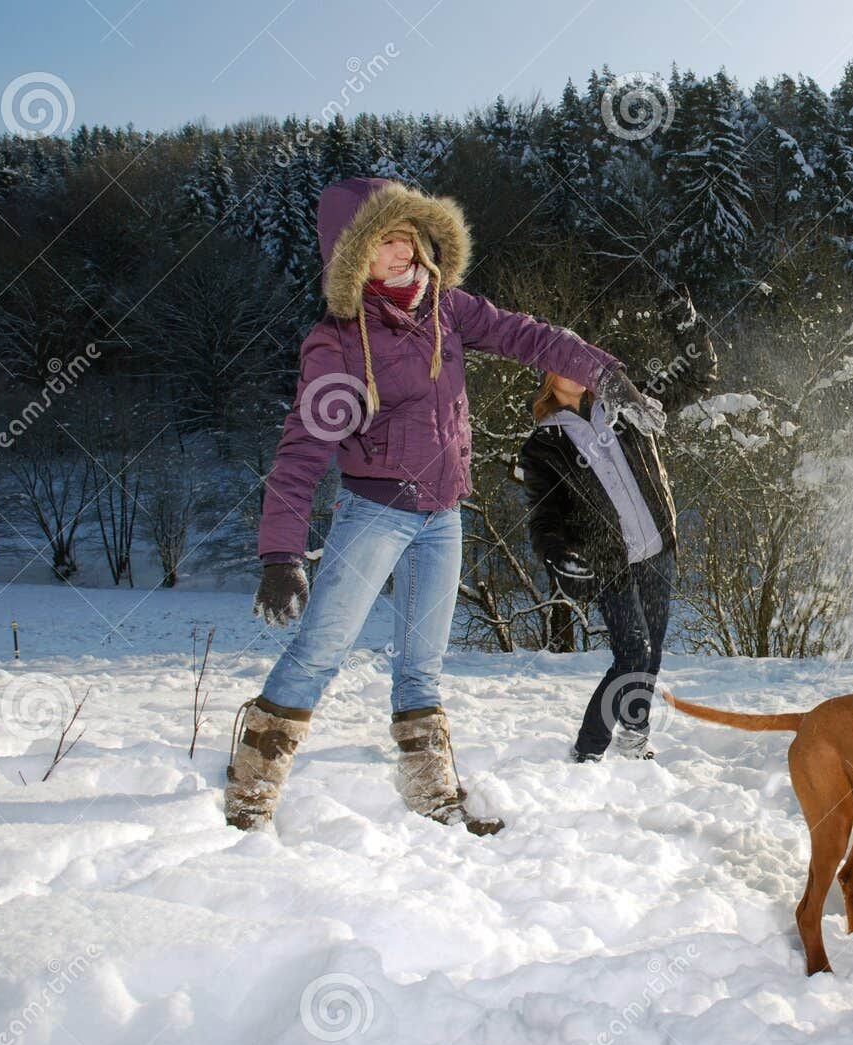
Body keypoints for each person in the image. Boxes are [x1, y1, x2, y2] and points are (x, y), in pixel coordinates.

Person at [225, 176, 659, 834]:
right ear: (351, 255)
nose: (403, 251)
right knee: (320, 651)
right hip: (374, 513)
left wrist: (604, 370)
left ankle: (431, 795)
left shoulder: (446, 310)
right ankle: (250, 792)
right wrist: (281, 553)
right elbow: (300, 454)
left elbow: (531, 337)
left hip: (443, 515)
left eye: (407, 235)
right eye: (383, 241)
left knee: (422, 663)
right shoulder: (339, 343)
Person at [519, 369, 678, 762]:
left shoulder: (621, 412)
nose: (569, 369)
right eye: (557, 363)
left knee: (650, 655)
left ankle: (634, 738)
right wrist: (557, 555)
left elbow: (688, 383)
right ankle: (588, 751)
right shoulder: (543, 445)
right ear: (546, 379)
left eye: (575, 360)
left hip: (658, 550)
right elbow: (544, 516)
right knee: (632, 655)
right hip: (611, 561)